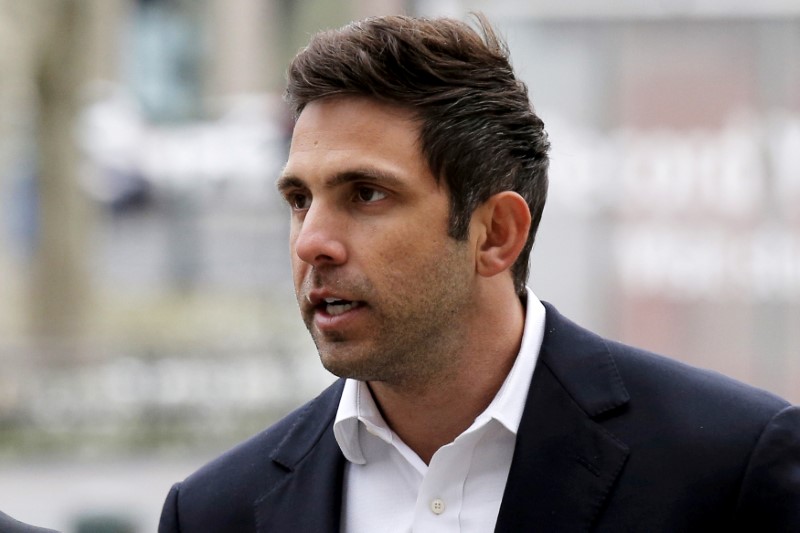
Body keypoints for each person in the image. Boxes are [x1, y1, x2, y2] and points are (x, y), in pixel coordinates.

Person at [159, 14, 800, 532]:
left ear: (496, 234)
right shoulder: (217, 511)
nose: (313, 243)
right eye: (300, 200)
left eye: (366, 194)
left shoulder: (729, 467)